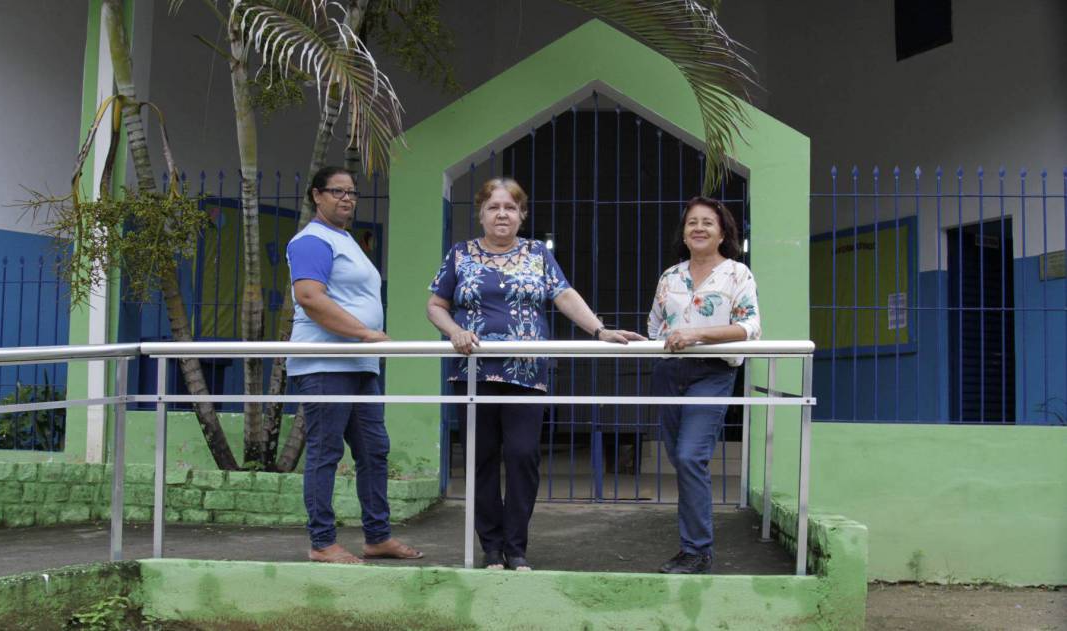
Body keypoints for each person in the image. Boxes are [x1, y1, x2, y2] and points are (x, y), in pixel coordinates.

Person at [426, 177, 644, 571]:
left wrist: (600, 330)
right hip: (473, 373)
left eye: (510, 207)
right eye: (494, 207)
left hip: (527, 374)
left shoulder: (537, 254)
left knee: (523, 456)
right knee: (481, 460)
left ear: (522, 215)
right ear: (481, 214)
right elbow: (436, 305)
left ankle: (516, 547)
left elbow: (564, 295)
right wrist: (454, 331)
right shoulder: (460, 254)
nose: (502, 214)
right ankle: (491, 548)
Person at [286, 166, 422, 564]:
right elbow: (310, 298)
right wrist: (364, 333)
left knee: (374, 450)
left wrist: (365, 343)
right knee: (325, 452)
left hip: (360, 366)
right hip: (325, 364)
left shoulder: (344, 240)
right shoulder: (311, 240)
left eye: (351, 192)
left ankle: (377, 537)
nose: (347, 199)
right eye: (337, 191)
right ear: (317, 195)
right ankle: (322, 543)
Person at [648, 196, 761, 574]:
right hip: (669, 372)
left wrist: (697, 335)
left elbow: (750, 327)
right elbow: (656, 326)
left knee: (690, 456)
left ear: (723, 232)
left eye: (707, 222)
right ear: (684, 233)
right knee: (681, 460)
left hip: (712, 373)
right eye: (692, 222)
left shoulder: (737, 274)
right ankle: (691, 546)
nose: (698, 228)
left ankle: (697, 550)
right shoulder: (670, 276)